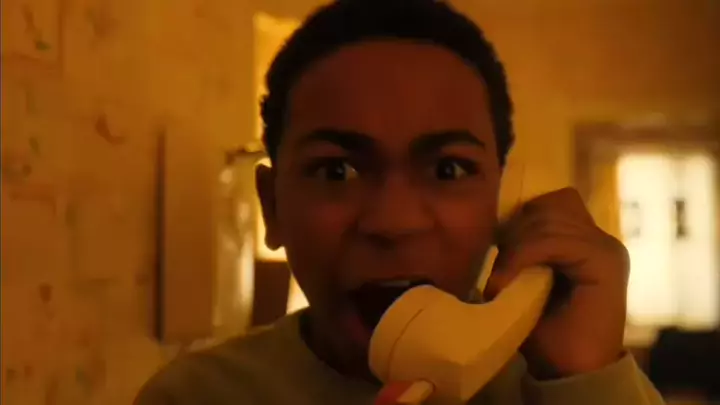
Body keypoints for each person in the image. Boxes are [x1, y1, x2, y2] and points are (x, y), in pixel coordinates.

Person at [136, 0, 665, 404]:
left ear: (503, 205)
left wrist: (584, 381)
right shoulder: (194, 396)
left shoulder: (575, 385)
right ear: (272, 209)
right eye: (336, 171)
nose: (394, 222)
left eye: (447, 169)